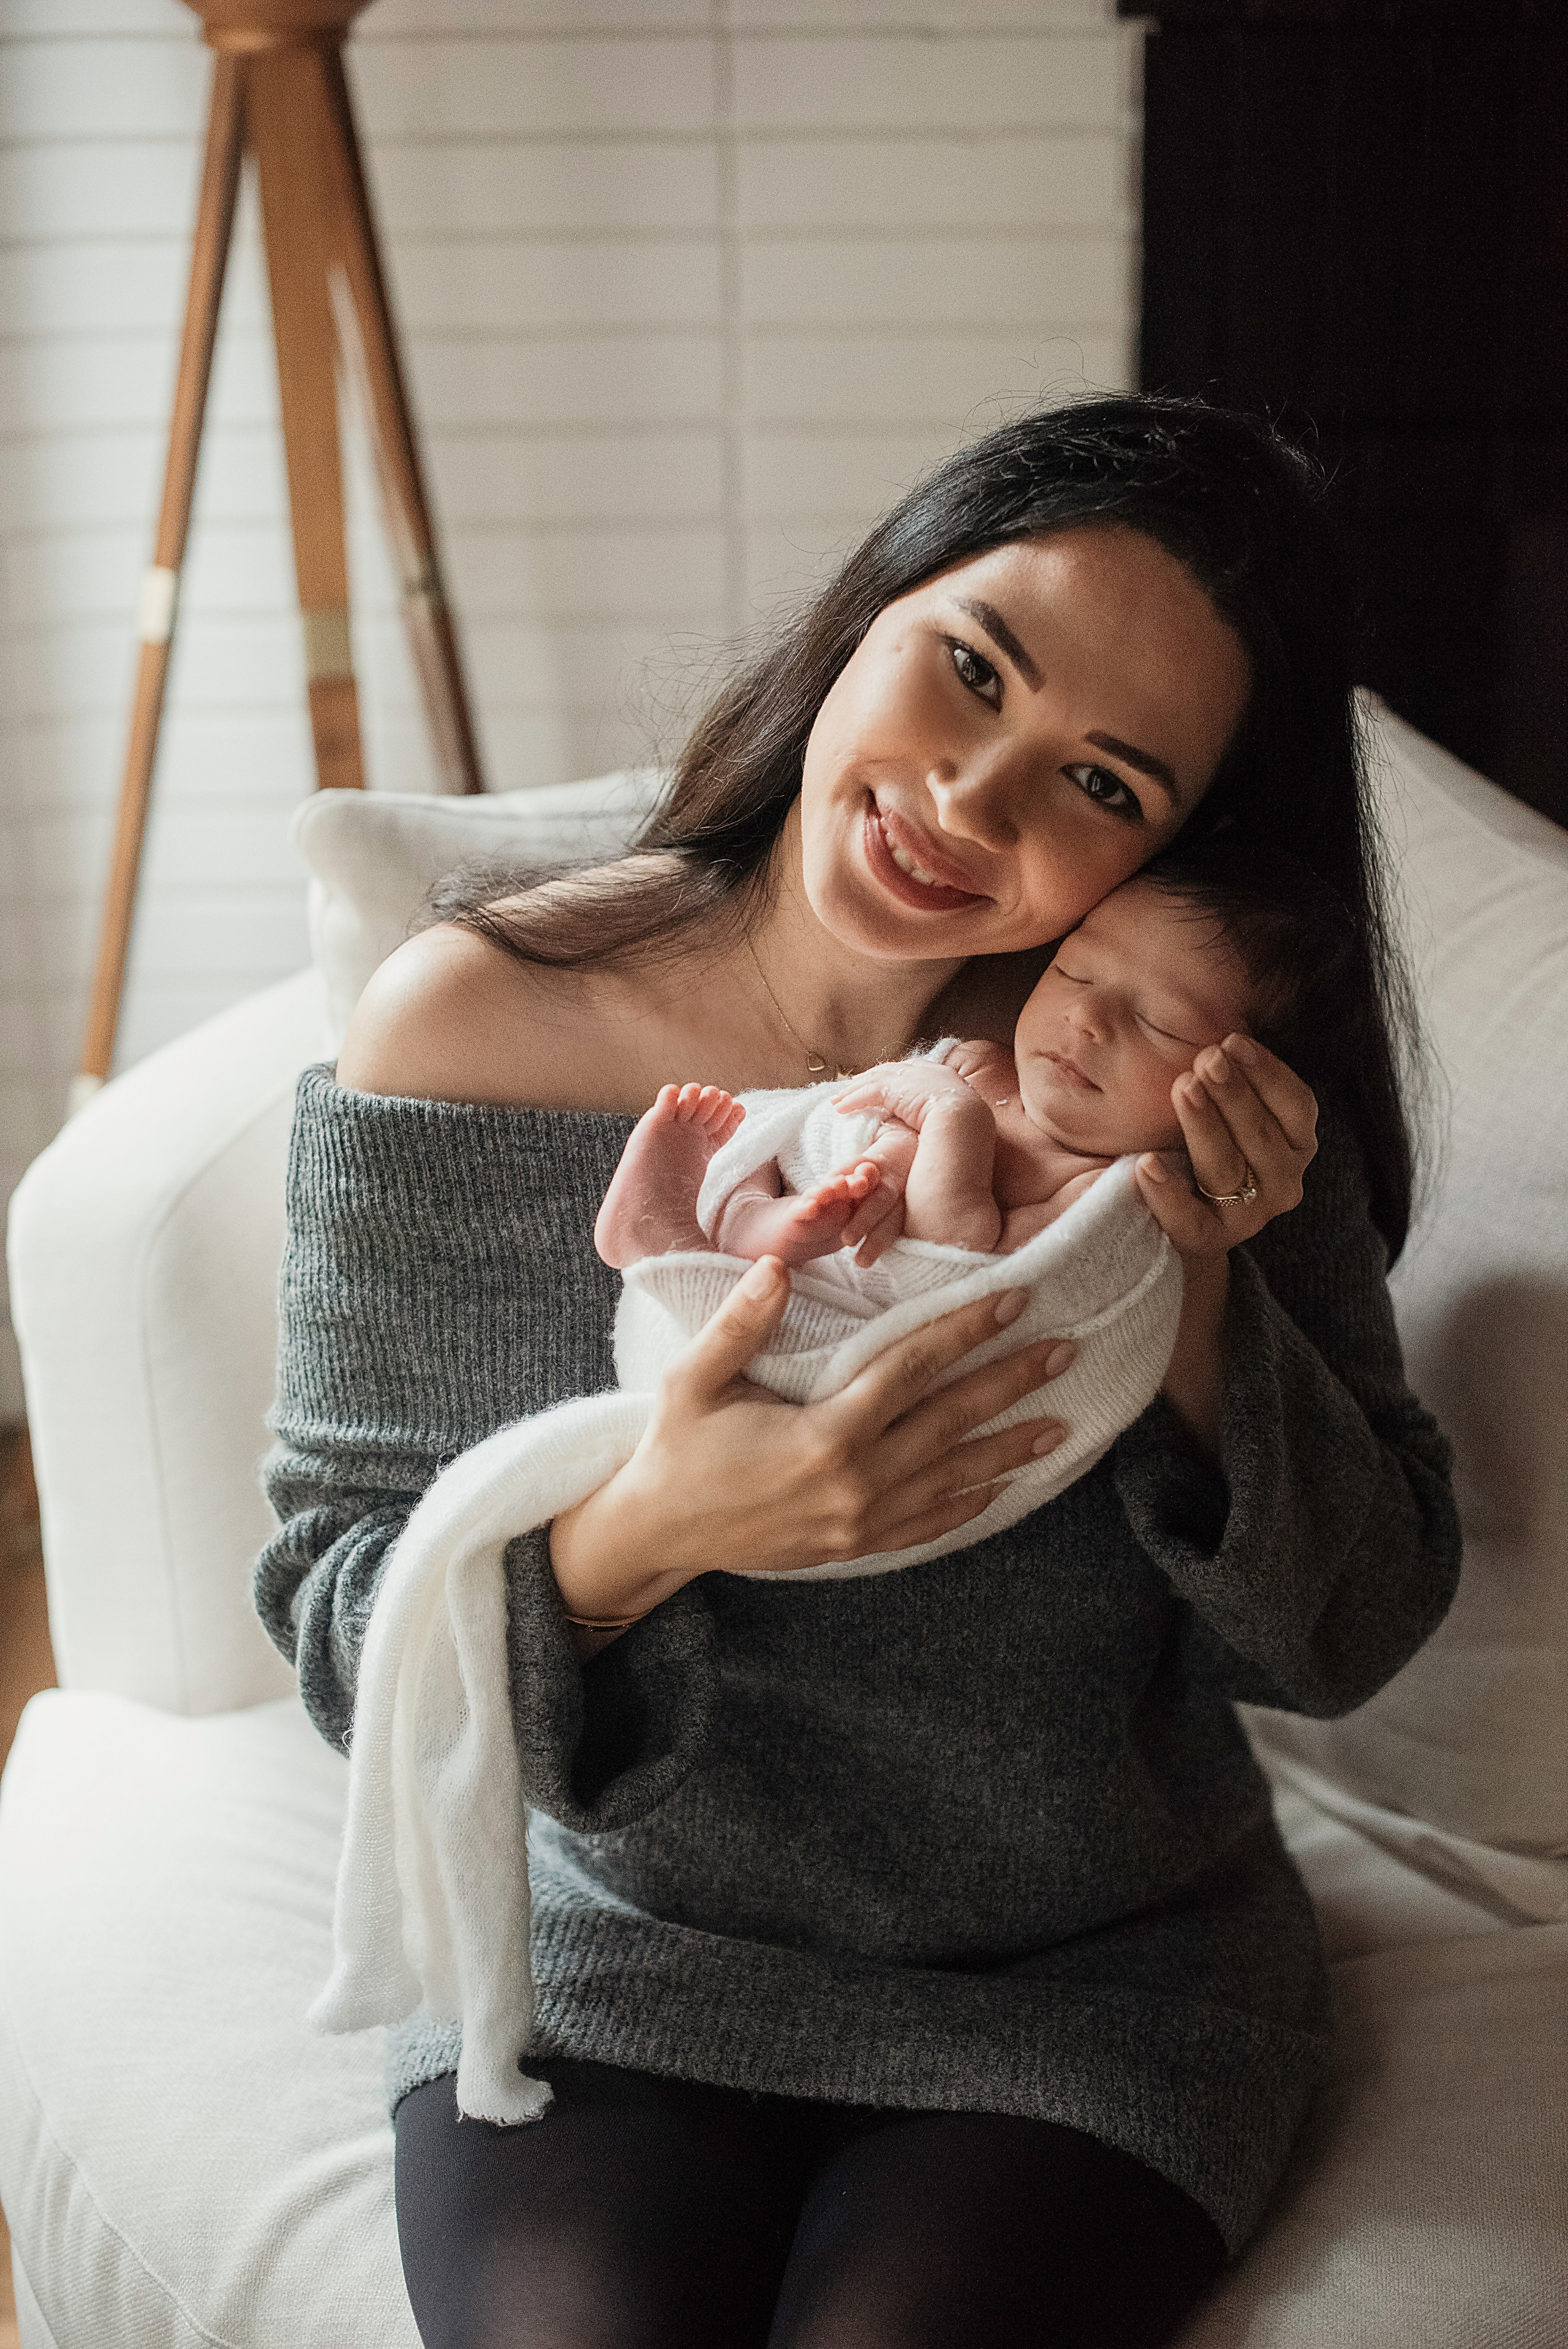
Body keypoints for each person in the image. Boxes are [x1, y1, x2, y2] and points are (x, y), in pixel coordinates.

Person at [256, 396, 1461, 2349]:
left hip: (1090, 1972)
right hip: (613, 1950)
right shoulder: (478, 1024)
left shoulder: (1150, 1062)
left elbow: (1350, 1629)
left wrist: (1200, 1307)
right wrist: (645, 1530)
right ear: (868, 607)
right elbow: (337, 1621)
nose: (968, 805)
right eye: (966, 668)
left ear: (1177, 840)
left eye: (1100, 781)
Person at [592, 847, 1349, 1271]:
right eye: (1074, 972)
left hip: (865, 1316)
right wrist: (879, 1161)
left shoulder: (1109, 1193)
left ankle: (683, 1252)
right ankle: (742, 1213)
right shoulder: (988, 1061)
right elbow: (867, 1108)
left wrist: (951, 1120)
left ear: (1241, 1099)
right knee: (781, 1126)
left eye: (1161, 1024)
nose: (1085, 1018)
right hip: (828, 1213)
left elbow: (958, 1259)